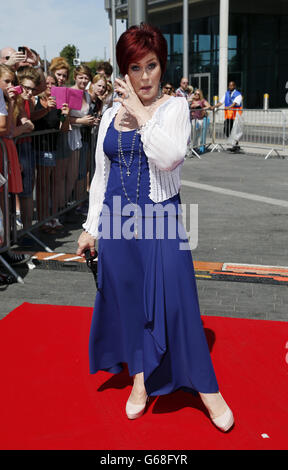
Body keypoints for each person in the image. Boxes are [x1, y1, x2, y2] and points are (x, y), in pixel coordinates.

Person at [77, 23, 234, 432]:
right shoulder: (109, 114)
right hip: (116, 225)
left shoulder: (175, 108)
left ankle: (206, 388)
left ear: (162, 67)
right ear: (123, 72)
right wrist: (91, 227)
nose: (144, 76)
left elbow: (169, 158)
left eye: (152, 66)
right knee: (129, 302)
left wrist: (144, 114)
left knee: (178, 303)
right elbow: (99, 175)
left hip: (160, 221)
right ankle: (142, 381)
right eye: (135, 67)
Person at [213, 81, 242, 152]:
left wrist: (229, 107)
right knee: (226, 130)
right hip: (228, 116)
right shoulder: (226, 93)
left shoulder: (238, 94)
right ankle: (234, 144)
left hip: (236, 116)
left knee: (234, 131)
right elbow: (221, 102)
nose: (230, 87)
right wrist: (213, 106)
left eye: (232, 86)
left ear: (234, 86)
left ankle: (235, 145)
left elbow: (235, 103)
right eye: (229, 86)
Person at [189, 88, 213, 153]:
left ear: (200, 95)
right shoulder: (191, 100)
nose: (196, 95)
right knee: (193, 135)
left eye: (198, 94)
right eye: (195, 93)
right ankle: (193, 147)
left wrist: (202, 108)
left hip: (200, 119)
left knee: (199, 135)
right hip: (193, 120)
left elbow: (209, 106)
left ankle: (198, 147)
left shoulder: (202, 100)